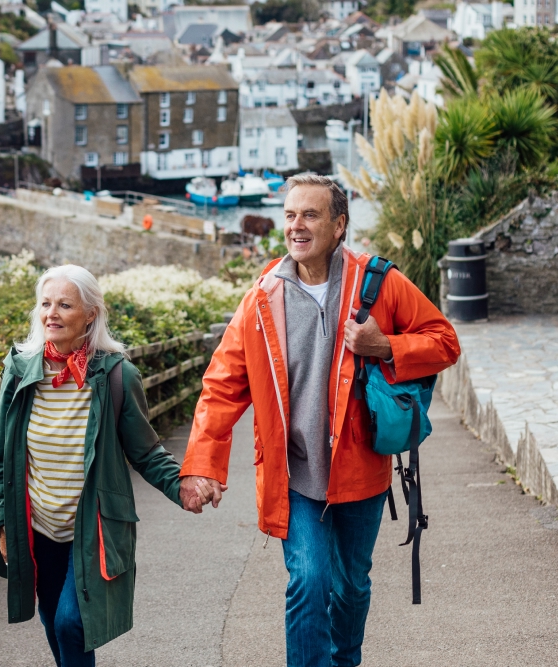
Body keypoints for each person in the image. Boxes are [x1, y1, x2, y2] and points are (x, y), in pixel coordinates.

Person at [179, 174, 460, 667]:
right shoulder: (263, 298)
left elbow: (444, 341)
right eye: (289, 215)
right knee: (308, 581)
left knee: (351, 586)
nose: (297, 226)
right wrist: (202, 465)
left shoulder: (378, 282)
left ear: (339, 224)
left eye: (310, 215)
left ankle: (345, 660)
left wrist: (385, 347)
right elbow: (221, 384)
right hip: (294, 475)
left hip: (361, 470)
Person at [0, 265, 200, 667]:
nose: (51, 313)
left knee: (71, 623)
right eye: (45, 304)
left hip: (92, 528)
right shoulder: (19, 371)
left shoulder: (116, 376)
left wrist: (182, 486)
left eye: (64, 304)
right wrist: (1, 522)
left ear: (90, 314)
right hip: (37, 527)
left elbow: (147, 451)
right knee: (52, 620)